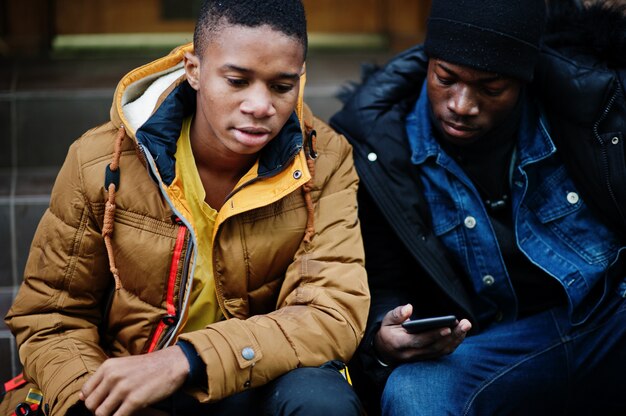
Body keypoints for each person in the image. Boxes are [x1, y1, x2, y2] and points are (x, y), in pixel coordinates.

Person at [4, 1, 370, 415]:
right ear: (193, 69)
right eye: (237, 80)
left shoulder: (325, 159)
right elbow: (52, 314)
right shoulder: (101, 161)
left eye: (282, 87)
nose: (260, 105)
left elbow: (331, 312)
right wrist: (92, 397)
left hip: (260, 379)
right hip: (130, 378)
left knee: (322, 401)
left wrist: (186, 360)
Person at [330, 0, 626, 414]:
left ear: (525, 79)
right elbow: (380, 278)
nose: (462, 105)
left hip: (608, 319)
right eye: (446, 78)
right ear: (429, 62)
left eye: (491, 88)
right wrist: (383, 334)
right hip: (489, 348)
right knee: (413, 393)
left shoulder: (590, 103)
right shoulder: (379, 145)